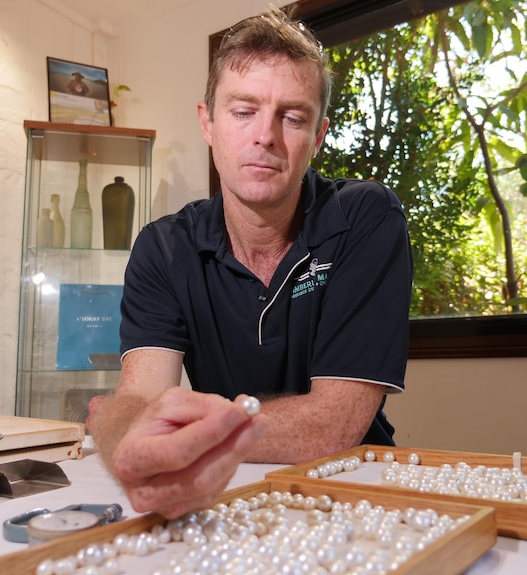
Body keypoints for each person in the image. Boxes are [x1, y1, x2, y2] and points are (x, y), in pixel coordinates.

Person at [88, 6, 412, 519]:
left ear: (317, 136)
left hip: (356, 485)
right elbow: (138, 398)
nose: (265, 135)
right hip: (227, 494)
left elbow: (336, 423)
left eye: (292, 116)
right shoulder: (163, 247)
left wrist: (187, 433)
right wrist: (123, 434)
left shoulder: (366, 217)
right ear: (208, 122)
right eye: (243, 111)